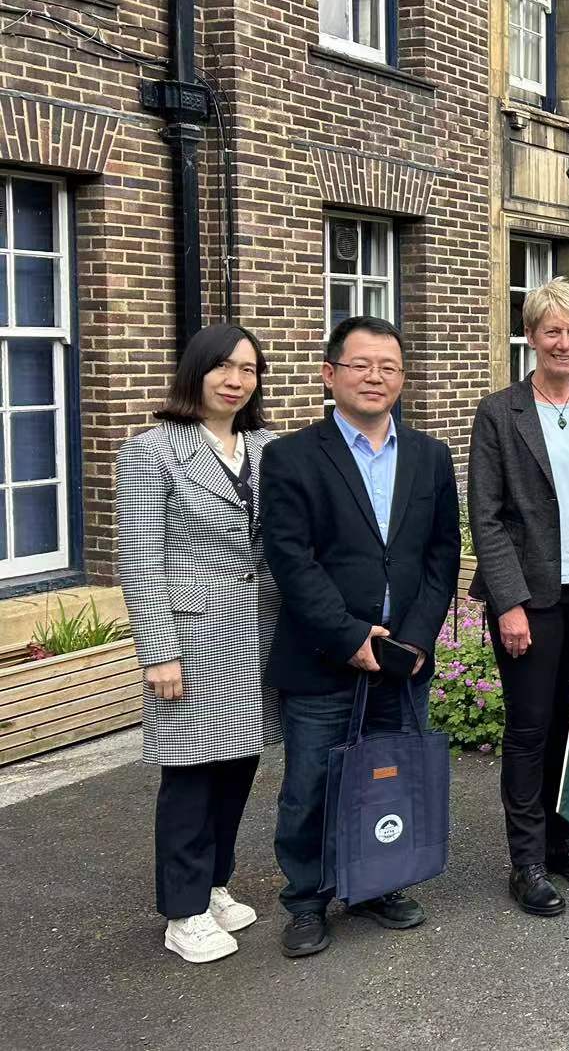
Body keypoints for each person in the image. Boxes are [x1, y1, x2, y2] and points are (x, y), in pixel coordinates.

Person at [262, 315, 461, 957]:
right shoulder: (290, 457)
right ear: (329, 374)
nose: (375, 378)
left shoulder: (430, 457)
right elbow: (291, 559)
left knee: (390, 776)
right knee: (312, 786)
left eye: (389, 367)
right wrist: (350, 636)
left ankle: (380, 883)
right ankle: (307, 900)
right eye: (360, 365)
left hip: (402, 657)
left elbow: (441, 555)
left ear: (403, 379)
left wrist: (419, 637)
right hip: (325, 655)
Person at [116, 323, 279, 964]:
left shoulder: (268, 446)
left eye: (248, 369)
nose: (236, 380)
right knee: (189, 775)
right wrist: (157, 649)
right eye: (223, 367)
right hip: (193, 636)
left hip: (258, 630)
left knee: (239, 765)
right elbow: (140, 558)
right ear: (197, 372)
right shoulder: (152, 449)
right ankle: (181, 911)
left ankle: (213, 884)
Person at [468, 280, 569, 916]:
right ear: (531, 335)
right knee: (530, 728)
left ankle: (561, 837)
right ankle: (525, 859)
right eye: (552, 330)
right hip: (532, 599)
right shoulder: (500, 413)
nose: (565, 343)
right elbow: (488, 514)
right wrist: (508, 603)